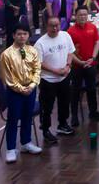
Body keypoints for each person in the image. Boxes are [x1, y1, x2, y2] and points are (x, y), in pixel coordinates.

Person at [0, 23, 43, 163]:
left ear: (28, 35)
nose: (22, 36)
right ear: (13, 36)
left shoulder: (33, 51)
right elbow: (7, 77)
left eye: (24, 34)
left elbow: (37, 70)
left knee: (27, 116)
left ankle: (26, 143)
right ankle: (11, 149)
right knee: (13, 118)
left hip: (30, 89)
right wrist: (21, 89)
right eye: (19, 34)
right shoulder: (6, 54)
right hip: (15, 92)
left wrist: (31, 86)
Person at [36, 16, 75, 144]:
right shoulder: (40, 43)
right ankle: (46, 130)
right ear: (46, 26)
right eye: (52, 26)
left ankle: (62, 124)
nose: (55, 28)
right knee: (47, 107)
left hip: (64, 76)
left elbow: (70, 52)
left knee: (65, 102)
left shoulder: (65, 35)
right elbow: (39, 63)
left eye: (57, 25)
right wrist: (55, 71)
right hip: (48, 80)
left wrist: (67, 66)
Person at [67, 6, 99, 127]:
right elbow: (69, 52)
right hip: (76, 66)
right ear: (75, 16)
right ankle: (74, 116)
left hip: (90, 64)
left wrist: (92, 58)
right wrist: (79, 62)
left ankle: (93, 112)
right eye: (80, 15)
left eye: (84, 14)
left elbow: (97, 43)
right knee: (75, 91)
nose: (82, 17)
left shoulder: (92, 27)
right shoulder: (70, 31)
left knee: (91, 89)